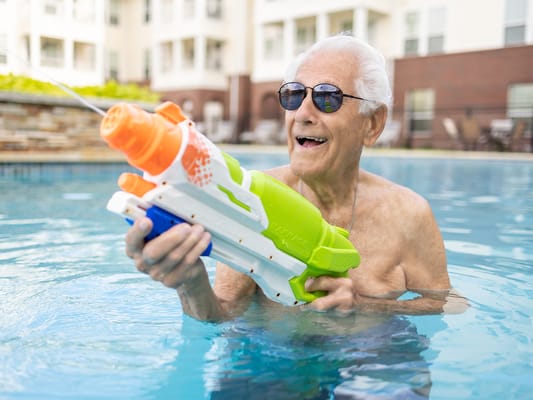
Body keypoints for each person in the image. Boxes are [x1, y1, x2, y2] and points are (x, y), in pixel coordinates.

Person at [125, 34, 468, 322]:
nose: (303, 113)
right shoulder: (250, 199)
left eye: (327, 97)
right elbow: (223, 315)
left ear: (372, 123)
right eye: (293, 95)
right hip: (272, 368)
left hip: (373, 362)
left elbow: (449, 304)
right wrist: (190, 284)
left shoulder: (407, 214)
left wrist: (366, 307)